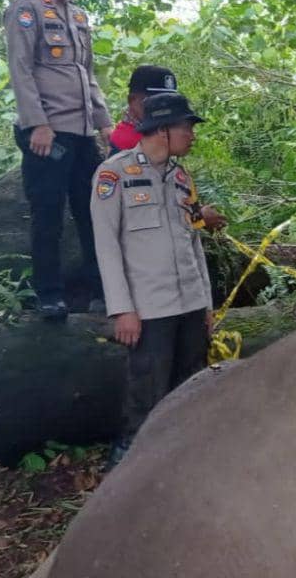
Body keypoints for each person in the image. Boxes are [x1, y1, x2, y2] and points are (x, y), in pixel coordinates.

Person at [91, 91, 217, 468]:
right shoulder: (113, 174)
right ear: (162, 130)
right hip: (150, 309)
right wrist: (122, 309)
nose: (192, 135)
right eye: (186, 127)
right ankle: (129, 469)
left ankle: (184, 464)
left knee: (191, 390)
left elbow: (194, 242)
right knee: (146, 395)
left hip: (190, 306)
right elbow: (106, 247)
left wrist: (206, 304)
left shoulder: (181, 176)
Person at [6, 0, 111, 320]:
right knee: (48, 214)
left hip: (82, 133)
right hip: (48, 132)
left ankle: (102, 290)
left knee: (93, 213)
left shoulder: (79, 18)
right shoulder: (27, 10)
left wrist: (104, 123)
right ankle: (49, 295)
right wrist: (38, 123)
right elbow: (21, 70)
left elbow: (88, 74)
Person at [109, 65, 227, 233]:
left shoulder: (153, 139)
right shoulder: (130, 143)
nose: (165, 108)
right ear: (133, 101)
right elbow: (142, 213)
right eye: (156, 100)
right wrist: (198, 218)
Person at [108, 64, 178, 154]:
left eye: (169, 101)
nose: (164, 106)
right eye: (157, 101)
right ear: (132, 100)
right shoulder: (126, 139)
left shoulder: (156, 131)